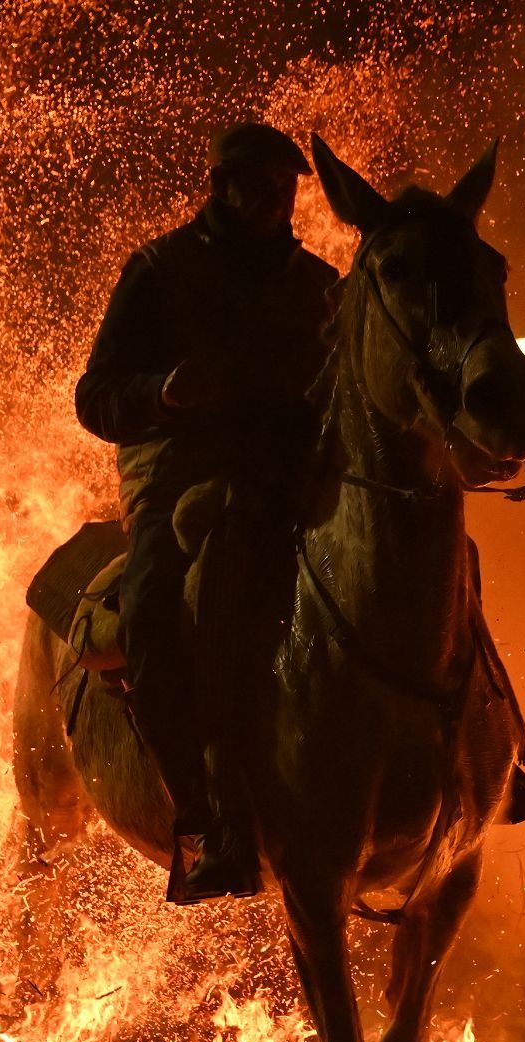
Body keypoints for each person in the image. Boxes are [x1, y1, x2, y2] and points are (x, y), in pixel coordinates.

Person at [74, 121, 338, 902]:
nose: (277, 203)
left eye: (286, 190)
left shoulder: (319, 285)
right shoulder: (159, 271)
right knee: (155, 606)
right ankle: (203, 819)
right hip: (178, 472)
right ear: (222, 186)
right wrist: (162, 394)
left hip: (286, 473)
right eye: (262, 187)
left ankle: (495, 752)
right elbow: (97, 396)